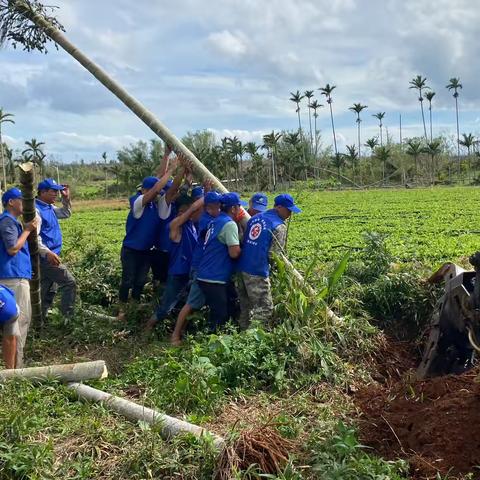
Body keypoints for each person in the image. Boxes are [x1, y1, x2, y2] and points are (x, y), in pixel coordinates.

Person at [118, 163, 177, 317]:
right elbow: (156, 187)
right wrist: (171, 169)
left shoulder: (155, 206)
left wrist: (166, 157)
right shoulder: (138, 202)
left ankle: (134, 306)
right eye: (151, 192)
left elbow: (159, 184)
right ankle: (122, 309)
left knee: (140, 281)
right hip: (131, 250)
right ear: (143, 190)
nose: (156, 195)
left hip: (146, 251)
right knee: (127, 281)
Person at [237, 193, 302, 329]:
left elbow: (244, 241)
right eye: (288, 210)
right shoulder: (279, 227)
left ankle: (241, 334)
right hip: (257, 271)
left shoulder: (255, 219)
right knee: (265, 309)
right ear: (278, 207)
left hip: (242, 268)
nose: (290, 213)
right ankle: (250, 341)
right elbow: (274, 255)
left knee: (246, 308)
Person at [170, 190, 222, 345]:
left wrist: (207, 190)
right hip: (200, 268)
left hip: (201, 266)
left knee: (194, 304)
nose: (219, 210)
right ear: (208, 208)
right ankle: (175, 336)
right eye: (215, 207)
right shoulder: (205, 220)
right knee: (191, 303)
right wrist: (205, 196)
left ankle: (183, 331)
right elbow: (195, 208)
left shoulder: (207, 218)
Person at [146, 194, 203, 330]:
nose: (195, 213)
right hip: (177, 274)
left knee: (186, 304)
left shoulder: (191, 225)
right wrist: (193, 207)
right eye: (191, 211)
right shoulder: (175, 226)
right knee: (166, 307)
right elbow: (187, 214)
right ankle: (147, 328)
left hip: (188, 273)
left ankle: (180, 328)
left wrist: (206, 192)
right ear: (182, 212)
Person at [196, 192, 244, 332]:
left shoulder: (216, 220)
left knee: (229, 305)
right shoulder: (229, 224)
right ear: (233, 209)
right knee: (220, 316)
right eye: (239, 207)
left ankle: (225, 336)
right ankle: (214, 345)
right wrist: (246, 250)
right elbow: (234, 253)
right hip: (214, 277)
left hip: (207, 274)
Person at [0, 187, 37, 367]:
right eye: (20, 199)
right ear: (11, 202)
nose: (24, 203)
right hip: (13, 279)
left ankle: (15, 367)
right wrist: (28, 230)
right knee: (19, 324)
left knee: (16, 324)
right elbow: (12, 248)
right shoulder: (7, 221)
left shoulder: (12, 222)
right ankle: (17, 369)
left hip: (14, 277)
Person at [35, 178, 76, 320]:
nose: (56, 194)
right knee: (69, 282)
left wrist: (66, 199)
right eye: (53, 191)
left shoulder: (49, 207)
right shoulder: (36, 210)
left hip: (51, 255)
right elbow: (34, 237)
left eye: (57, 191)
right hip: (46, 257)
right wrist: (47, 252)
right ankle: (67, 318)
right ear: (43, 192)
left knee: (48, 290)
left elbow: (66, 213)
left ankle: (39, 320)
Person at [0, 284, 20, 369]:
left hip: (9, 311)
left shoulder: (9, 311)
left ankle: (11, 373)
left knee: (10, 338)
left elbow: (10, 339)